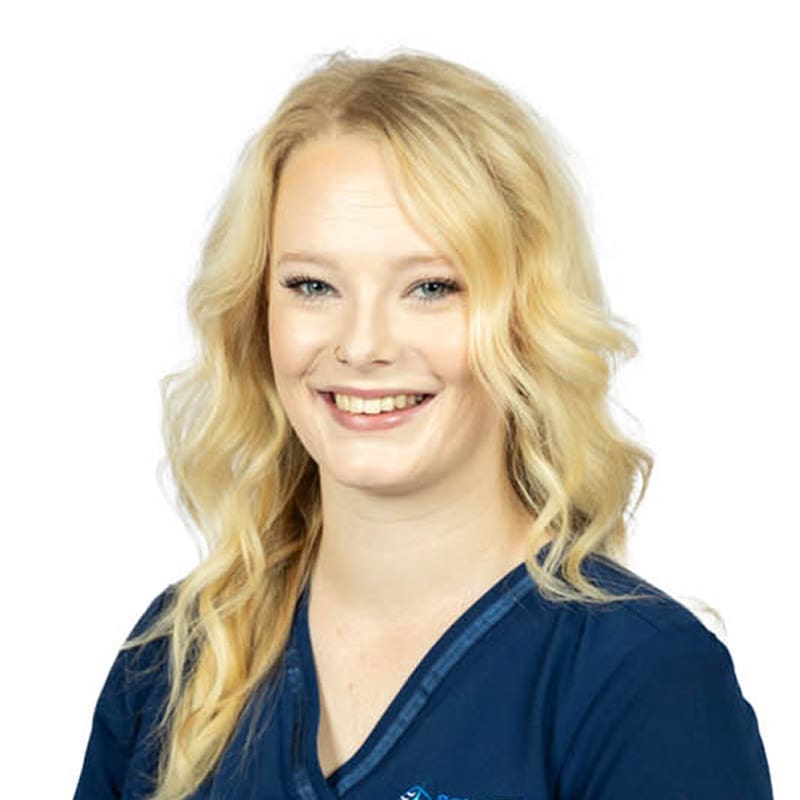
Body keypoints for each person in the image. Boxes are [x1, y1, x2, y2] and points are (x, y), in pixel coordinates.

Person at [73, 49, 774, 800]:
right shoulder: (176, 660)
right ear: (257, 313)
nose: (363, 345)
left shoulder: (640, 680)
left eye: (430, 287)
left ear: (526, 318)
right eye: (313, 285)